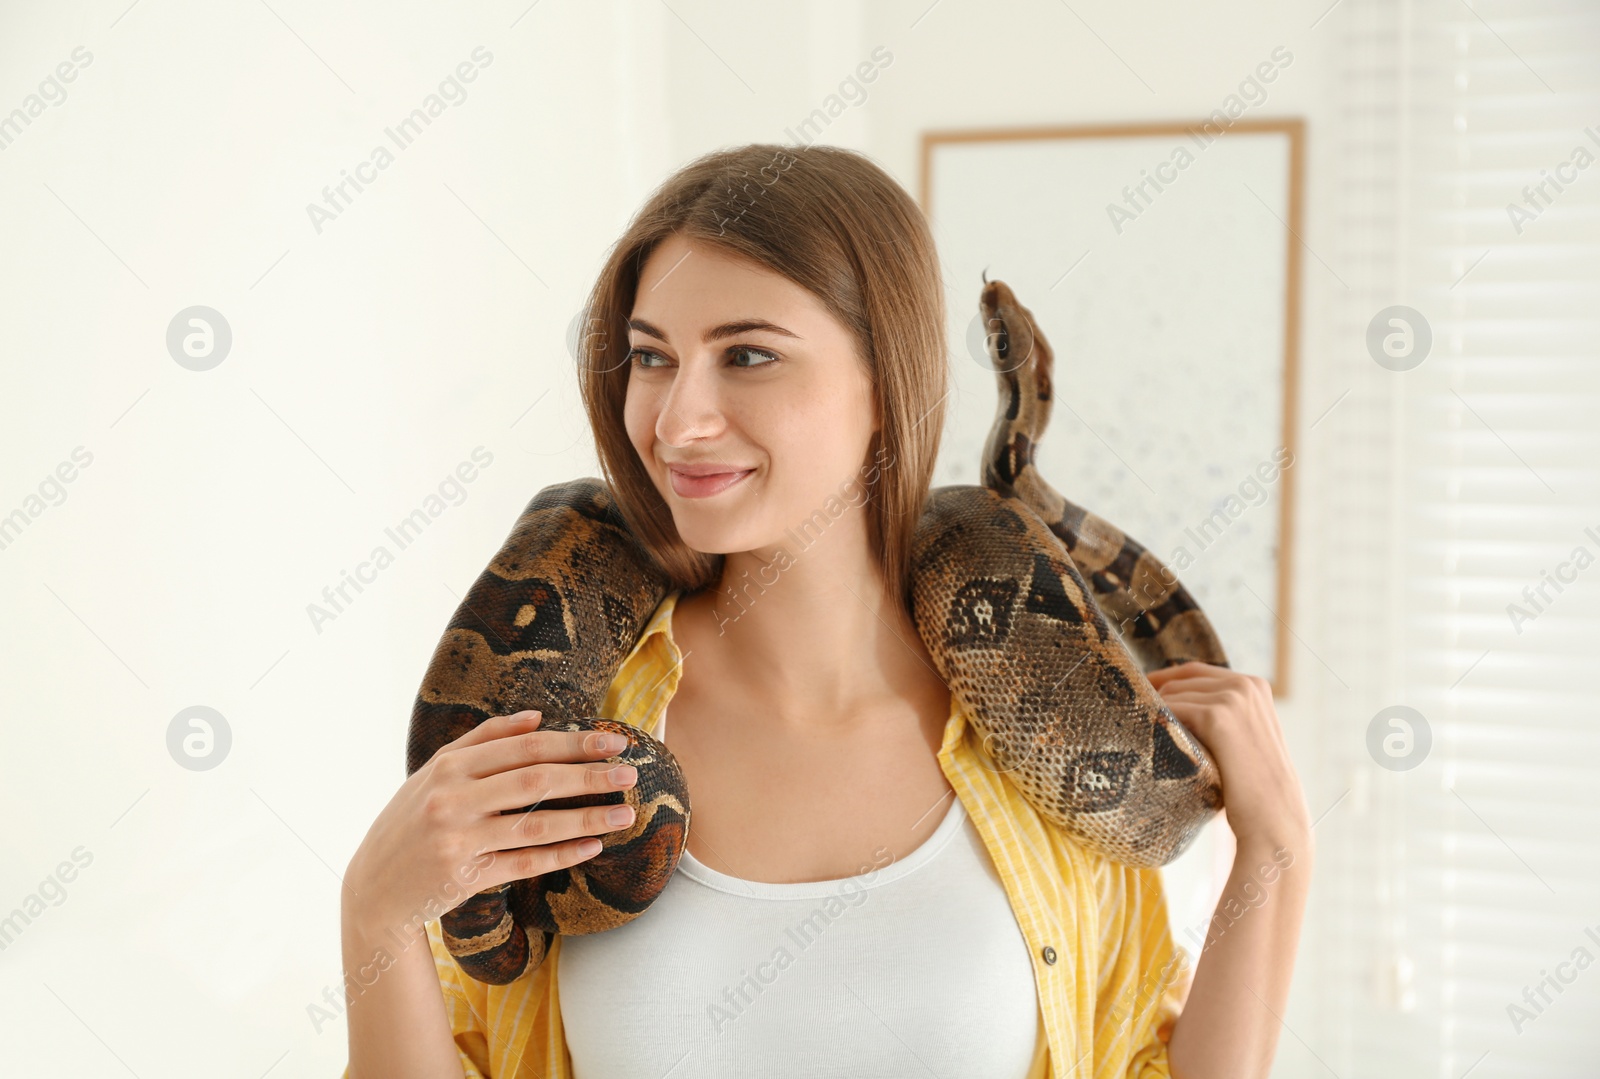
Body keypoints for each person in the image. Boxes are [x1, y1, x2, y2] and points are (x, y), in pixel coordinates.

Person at [341, 143, 1313, 1078]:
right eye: (650, 357)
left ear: (887, 383)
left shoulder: (1041, 751)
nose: (677, 421)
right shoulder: (564, 735)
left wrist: (1279, 851)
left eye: (749, 355)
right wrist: (373, 916)